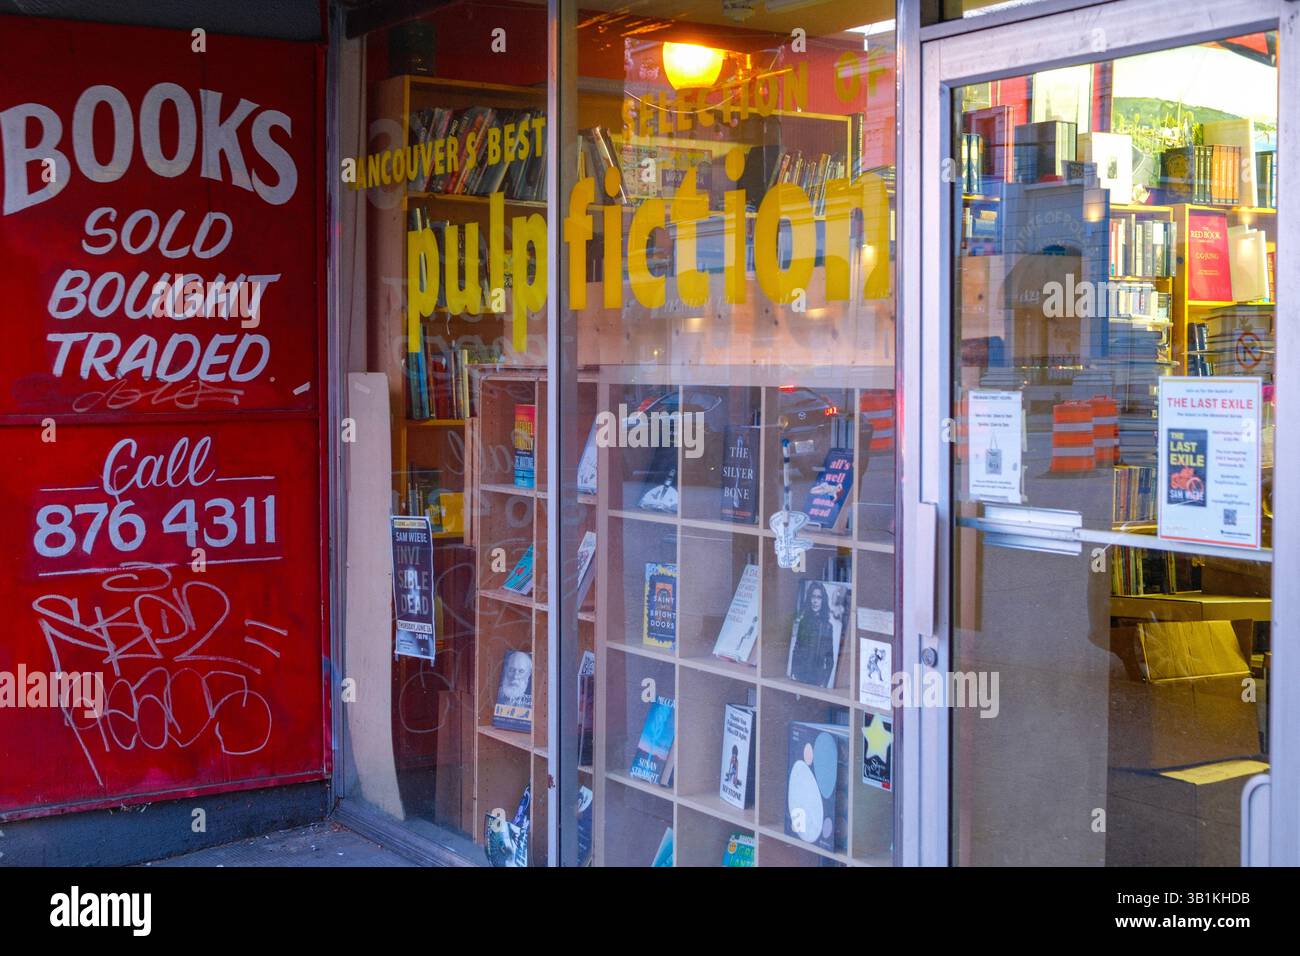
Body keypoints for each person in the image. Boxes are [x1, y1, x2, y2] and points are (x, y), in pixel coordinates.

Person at [788, 581, 838, 687]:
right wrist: (793, 672)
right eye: (813, 596)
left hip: (816, 678)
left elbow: (830, 659)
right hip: (800, 675)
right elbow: (796, 648)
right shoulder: (803, 621)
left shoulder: (828, 627)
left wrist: (825, 682)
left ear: (823, 600)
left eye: (819, 597)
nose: (815, 601)